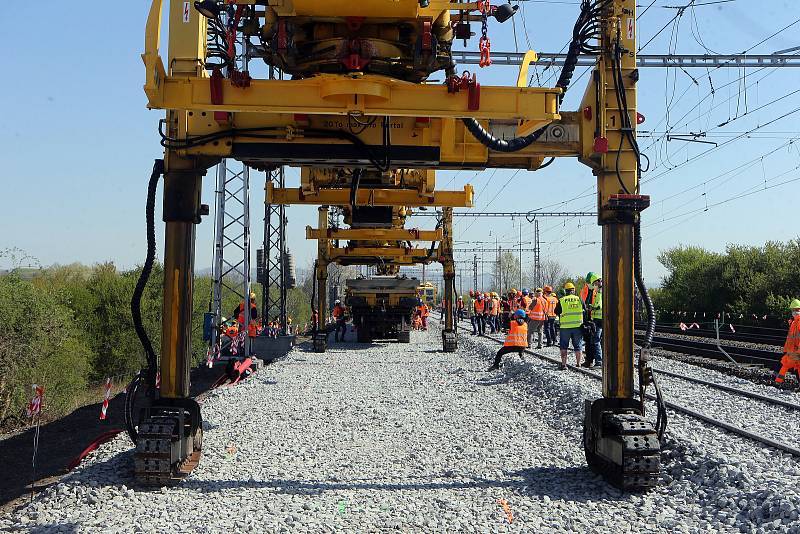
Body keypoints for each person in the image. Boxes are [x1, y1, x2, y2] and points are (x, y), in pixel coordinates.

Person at [555, 282, 585, 369]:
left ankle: (564, 364)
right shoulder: (579, 299)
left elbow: (556, 312)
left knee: (564, 346)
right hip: (578, 326)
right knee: (578, 345)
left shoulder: (562, 300)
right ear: (574, 290)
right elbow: (585, 309)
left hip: (565, 327)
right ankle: (578, 363)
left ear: (565, 291)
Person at [776, 299, 800, 384]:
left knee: (785, 364)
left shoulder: (798, 322)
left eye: (797, 309)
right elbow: (790, 339)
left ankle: (778, 382)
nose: (795, 312)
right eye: (793, 310)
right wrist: (786, 350)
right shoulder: (793, 323)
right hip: (793, 351)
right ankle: (778, 382)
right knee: (796, 368)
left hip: (796, 352)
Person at [586, 274, 603, 368]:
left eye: (594, 283)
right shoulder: (604, 289)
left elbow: (598, 305)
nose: (594, 285)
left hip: (598, 320)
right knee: (598, 340)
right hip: (602, 319)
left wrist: (591, 307)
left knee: (596, 340)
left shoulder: (600, 291)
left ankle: (599, 361)